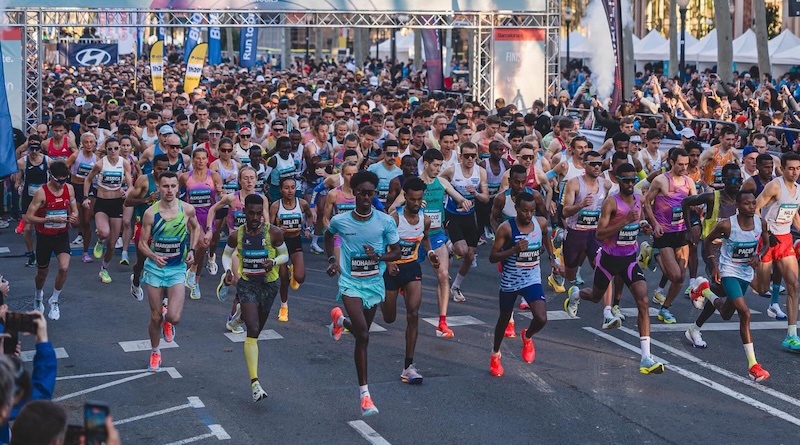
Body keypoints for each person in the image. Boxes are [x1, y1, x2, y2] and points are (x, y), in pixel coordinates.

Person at [564, 163, 664, 375]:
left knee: (643, 301)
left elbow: (636, 223)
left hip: (629, 258)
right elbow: (600, 234)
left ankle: (646, 356)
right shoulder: (611, 203)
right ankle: (575, 294)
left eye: (632, 179)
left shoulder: (639, 199)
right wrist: (625, 221)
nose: (629, 183)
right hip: (609, 258)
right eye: (625, 180)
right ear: (618, 180)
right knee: (594, 295)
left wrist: (643, 226)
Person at [325, 170, 401, 417]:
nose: (367, 197)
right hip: (350, 283)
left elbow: (397, 252)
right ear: (354, 192)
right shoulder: (342, 220)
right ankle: (365, 396)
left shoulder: (384, 221)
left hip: (373, 284)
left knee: (360, 334)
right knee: (365, 335)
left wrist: (379, 257)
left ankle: (340, 321)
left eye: (371, 193)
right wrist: (331, 260)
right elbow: (328, 235)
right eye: (362, 192)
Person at [685, 191, 771, 382]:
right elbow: (707, 242)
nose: (751, 206)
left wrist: (759, 256)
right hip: (728, 271)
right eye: (747, 203)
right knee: (745, 313)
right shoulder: (727, 224)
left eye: (753, 203)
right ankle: (753, 366)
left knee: (725, 313)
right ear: (738, 206)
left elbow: (766, 243)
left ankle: (704, 290)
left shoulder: (760, 222)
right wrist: (715, 266)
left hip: (746, 274)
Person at [387, 149, 471, 338]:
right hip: (414, 237)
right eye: (435, 165)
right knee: (404, 275)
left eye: (440, 166)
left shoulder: (442, 182)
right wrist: (413, 205)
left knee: (443, 274)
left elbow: (459, 198)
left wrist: (465, 201)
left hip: (436, 235)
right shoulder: (414, 186)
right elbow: (392, 209)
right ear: (425, 164)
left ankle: (442, 322)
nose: (438, 169)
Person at [219, 193, 288, 402]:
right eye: (251, 213)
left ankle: (238, 317)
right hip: (247, 284)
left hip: (269, 285)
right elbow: (225, 254)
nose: (256, 217)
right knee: (254, 330)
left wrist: (274, 262)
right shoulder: (236, 235)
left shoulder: (274, 233)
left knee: (256, 325)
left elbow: (285, 255)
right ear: (244, 212)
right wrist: (228, 271)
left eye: (259, 213)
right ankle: (255, 383)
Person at [488, 192, 562, 377]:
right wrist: (513, 249)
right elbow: (492, 257)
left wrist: (552, 259)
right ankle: (495, 354)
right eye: (524, 211)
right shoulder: (506, 228)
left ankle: (527, 336)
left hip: (532, 278)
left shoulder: (540, 223)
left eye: (531, 211)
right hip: (510, 280)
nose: (528, 215)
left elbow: (546, 237)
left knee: (541, 318)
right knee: (503, 320)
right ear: (517, 209)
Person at [138, 171, 200, 372]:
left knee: (174, 317)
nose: (170, 190)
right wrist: (154, 256)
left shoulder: (187, 209)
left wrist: (192, 249)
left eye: (173, 186)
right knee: (154, 317)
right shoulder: (150, 213)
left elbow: (196, 228)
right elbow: (141, 244)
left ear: (178, 188)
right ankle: (155, 352)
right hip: (155, 269)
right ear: (159, 188)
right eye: (165, 186)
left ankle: (168, 321)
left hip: (176, 269)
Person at [381, 177, 439, 384]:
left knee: (413, 314)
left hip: (411, 267)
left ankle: (408, 366)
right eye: (412, 199)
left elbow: (424, 238)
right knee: (389, 318)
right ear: (405, 196)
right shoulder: (394, 219)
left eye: (419, 199)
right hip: (392, 270)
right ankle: (383, 296)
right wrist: (388, 264)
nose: (416, 204)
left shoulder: (425, 220)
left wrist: (431, 253)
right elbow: (381, 243)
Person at [560, 150, 619, 328]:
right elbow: (564, 211)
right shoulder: (574, 183)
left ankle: (607, 313)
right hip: (575, 233)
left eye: (599, 164)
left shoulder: (606, 185)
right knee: (570, 275)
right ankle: (558, 271)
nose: (596, 167)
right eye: (592, 164)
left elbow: (607, 208)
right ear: (584, 165)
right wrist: (580, 205)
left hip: (595, 235)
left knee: (605, 271)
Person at [207, 166, 269, 332]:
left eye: (252, 178)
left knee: (251, 286)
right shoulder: (231, 198)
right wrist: (209, 229)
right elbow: (213, 209)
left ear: (256, 180)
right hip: (237, 247)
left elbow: (268, 225)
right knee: (240, 282)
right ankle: (229, 280)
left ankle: (232, 318)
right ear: (240, 180)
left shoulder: (262, 199)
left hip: (256, 248)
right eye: (245, 178)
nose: (249, 181)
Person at [753, 152, 800, 350]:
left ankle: (791, 334)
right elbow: (754, 208)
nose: (795, 172)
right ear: (782, 168)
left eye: (798, 168)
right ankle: (742, 274)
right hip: (768, 240)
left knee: (794, 285)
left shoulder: (798, 189)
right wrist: (764, 233)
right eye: (791, 168)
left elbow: (794, 214)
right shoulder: (775, 186)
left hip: (785, 240)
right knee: (761, 289)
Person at [642, 148, 695, 323]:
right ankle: (653, 253)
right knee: (675, 276)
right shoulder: (660, 181)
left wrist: (698, 208)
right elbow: (647, 203)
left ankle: (664, 309)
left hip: (680, 233)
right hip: (663, 232)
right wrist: (654, 224)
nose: (684, 168)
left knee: (681, 277)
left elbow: (694, 203)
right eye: (680, 164)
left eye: (686, 164)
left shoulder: (689, 182)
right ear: (671, 162)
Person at [23, 161, 78, 319]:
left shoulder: (69, 189)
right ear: (50, 176)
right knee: (42, 273)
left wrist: (74, 217)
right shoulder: (42, 192)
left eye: (65, 180)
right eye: (59, 180)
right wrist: (48, 219)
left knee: (64, 268)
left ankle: (54, 300)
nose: (62, 184)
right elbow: (29, 216)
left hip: (62, 235)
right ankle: (38, 296)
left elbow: (74, 210)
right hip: (45, 237)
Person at [440, 142, 489, 302]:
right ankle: (450, 247)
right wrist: (451, 195)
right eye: (466, 155)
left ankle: (456, 286)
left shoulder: (480, 172)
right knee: (461, 250)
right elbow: (439, 181)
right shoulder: (452, 170)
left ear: (477, 156)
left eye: (473, 156)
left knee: (469, 255)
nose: (469, 159)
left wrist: (475, 193)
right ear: (460, 156)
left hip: (469, 216)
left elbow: (486, 197)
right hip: (452, 215)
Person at [83, 137, 134, 284]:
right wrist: (86, 197)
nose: (113, 151)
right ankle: (99, 240)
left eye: (115, 148)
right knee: (104, 232)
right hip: (102, 203)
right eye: (110, 149)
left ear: (119, 149)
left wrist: (127, 191)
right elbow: (88, 179)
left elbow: (131, 184)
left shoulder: (124, 163)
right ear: (106, 149)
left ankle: (104, 269)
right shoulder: (100, 164)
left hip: (117, 203)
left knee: (112, 244)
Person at [124, 154, 169, 301]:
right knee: (141, 261)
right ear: (153, 167)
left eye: (165, 169)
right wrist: (147, 199)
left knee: (164, 262)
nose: (162, 172)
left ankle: (165, 299)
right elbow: (128, 202)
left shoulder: (169, 182)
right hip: (143, 227)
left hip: (161, 228)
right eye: (159, 169)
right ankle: (136, 279)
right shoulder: (144, 180)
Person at [181, 147, 223, 299]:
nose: (200, 161)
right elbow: (177, 195)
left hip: (209, 215)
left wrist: (220, 192)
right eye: (197, 158)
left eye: (203, 158)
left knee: (202, 248)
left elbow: (220, 196)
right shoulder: (185, 177)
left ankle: (195, 281)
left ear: (207, 160)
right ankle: (192, 270)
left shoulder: (214, 176)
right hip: (192, 216)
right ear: (193, 160)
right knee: (203, 243)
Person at [270, 177, 313, 322]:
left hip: (295, 241)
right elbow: (269, 227)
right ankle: (284, 307)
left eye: (292, 187)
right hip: (281, 244)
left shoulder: (302, 203)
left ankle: (294, 270)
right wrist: (277, 230)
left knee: (300, 277)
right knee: (283, 279)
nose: (290, 191)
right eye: (286, 188)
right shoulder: (276, 206)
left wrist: (307, 228)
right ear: (281, 189)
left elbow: (310, 215)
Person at [16, 135, 51, 267]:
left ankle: (43, 253)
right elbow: (18, 179)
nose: (34, 151)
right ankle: (31, 254)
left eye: (37, 148)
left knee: (43, 228)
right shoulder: (22, 162)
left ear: (40, 148)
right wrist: (18, 185)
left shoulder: (47, 161)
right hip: (28, 198)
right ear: (28, 147)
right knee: (27, 228)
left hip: (43, 199)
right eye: (31, 148)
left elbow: (56, 174)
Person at [367, 139, 403, 205]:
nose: (392, 157)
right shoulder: (373, 168)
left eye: (395, 154)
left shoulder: (400, 172)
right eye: (389, 154)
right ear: (384, 153)